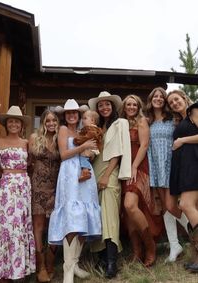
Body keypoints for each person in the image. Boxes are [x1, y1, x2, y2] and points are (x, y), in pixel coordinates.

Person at [48, 99, 101, 283]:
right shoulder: (63, 130)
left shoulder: (82, 130)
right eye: (68, 113)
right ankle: (68, 269)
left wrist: (90, 152)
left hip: (85, 175)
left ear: (78, 115)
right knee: (71, 218)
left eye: (75, 113)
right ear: (65, 115)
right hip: (69, 173)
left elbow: (92, 150)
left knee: (83, 217)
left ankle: (76, 264)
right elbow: (63, 155)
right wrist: (83, 147)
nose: (72, 115)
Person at [0, 106, 36, 282]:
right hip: (6, 186)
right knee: (4, 226)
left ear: (22, 125)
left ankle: (19, 270)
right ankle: (2, 270)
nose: (14, 124)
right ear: (6, 124)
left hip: (23, 186)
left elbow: (32, 163)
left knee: (20, 226)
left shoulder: (27, 143)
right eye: (11, 121)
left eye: (17, 121)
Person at [88, 91, 131, 278]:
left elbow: (119, 152)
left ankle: (113, 262)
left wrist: (106, 175)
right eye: (100, 105)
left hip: (110, 171)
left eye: (107, 104)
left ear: (113, 107)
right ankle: (102, 258)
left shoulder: (120, 123)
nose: (104, 107)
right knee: (98, 214)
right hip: (94, 171)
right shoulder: (97, 127)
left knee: (109, 215)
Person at [146, 87, 188, 263]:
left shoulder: (173, 119)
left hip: (170, 164)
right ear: (151, 99)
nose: (158, 98)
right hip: (156, 166)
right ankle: (174, 245)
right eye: (155, 96)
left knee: (172, 206)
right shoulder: (147, 121)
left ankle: (193, 232)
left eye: (161, 97)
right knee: (165, 207)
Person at [120, 94, 162, 267]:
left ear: (138, 107)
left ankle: (150, 247)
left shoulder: (142, 121)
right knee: (128, 211)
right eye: (128, 104)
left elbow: (144, 145)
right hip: (123, 168)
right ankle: (137, 251)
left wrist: (135, 166)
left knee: (130, 205)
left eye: (134, 105)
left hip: (138, 166)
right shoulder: (121, 124)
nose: (131, 107)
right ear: (124, 107)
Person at [167, 90, 198, 272]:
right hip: (184, 167)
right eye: (171, 102)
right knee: (188, 206)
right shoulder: (182, 119)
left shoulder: (194, 110)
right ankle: (196, 258)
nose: (174, 103)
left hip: (194, 165)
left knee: (186, 204)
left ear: (184, 97)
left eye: (176, 99)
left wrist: (181, 140)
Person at [29, 109, 60, 282]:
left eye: (54, 121)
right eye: (47, 121)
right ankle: (40, 266)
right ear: (43, 123)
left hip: (56, 187)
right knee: (39, 227)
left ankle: (51, 262)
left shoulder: (59, 140)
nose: (51, 124)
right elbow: (28, 161)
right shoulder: (34, 138)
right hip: (38, 187)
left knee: (55, 225)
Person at [73, 110, 103, 182]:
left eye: (85, 118)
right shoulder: (95, 129)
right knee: (85, 158)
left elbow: (85, 138)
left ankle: (85, 172)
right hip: (94, 149)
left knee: (83, 156)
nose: (82, 121)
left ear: (92, 120)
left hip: (90, 149)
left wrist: (77, 139)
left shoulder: (91, 129)